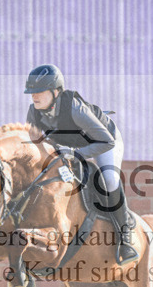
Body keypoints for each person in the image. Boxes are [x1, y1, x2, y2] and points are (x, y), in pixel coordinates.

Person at [24, 63, 139, 265]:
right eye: (32, 92)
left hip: (103, 140)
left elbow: (106, 142)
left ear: (55, 91)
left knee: (109, 179)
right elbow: (36, 146)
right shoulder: (34, 113)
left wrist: (76, 154)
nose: (34, 96)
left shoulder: (75, 109)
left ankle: (125, 236)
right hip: (69, 146)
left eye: (40, 91)